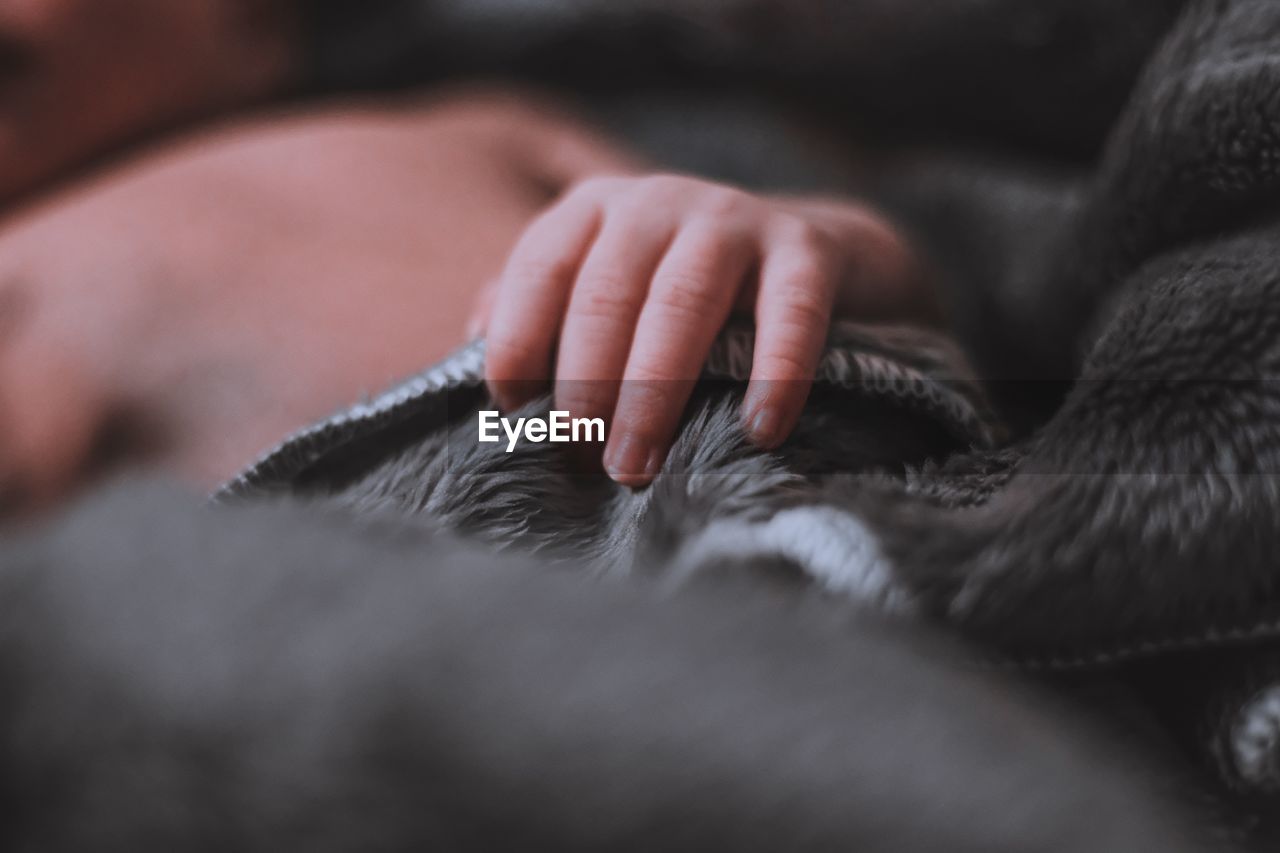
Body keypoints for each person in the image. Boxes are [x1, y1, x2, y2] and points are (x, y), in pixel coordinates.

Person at [0, 1, 934, 509]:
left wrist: (804, 243)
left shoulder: (478, 121)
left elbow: (913, 299)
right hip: (420, 511)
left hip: (680, 429)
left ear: (255, 28)